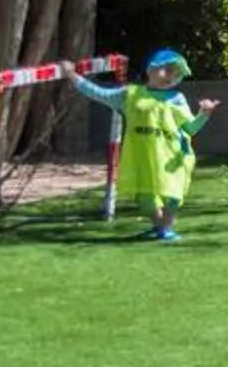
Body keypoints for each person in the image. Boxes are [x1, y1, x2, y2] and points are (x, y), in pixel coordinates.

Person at [71, 50, 218, 241]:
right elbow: (99, 94)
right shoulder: (130, 95)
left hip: (172, 158)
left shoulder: (177, 99)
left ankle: (166, 228)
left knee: (172, 195)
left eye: (177, 73)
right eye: (167, 70)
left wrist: (204, 114)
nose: (171, 76)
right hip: (141, 157)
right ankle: (159, 227)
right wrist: (73, 77)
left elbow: (191, 128)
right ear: (150, 69)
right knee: (146, 199)